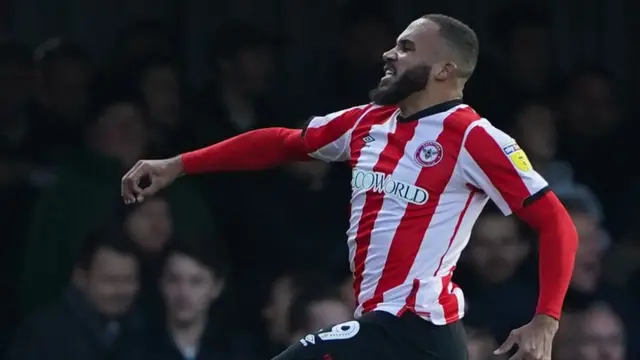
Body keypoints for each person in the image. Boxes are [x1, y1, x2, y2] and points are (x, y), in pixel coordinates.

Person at [122, 14, 578, 360]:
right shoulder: (367, 121)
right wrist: (179, 164)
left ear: (444, 69)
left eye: (406, 47)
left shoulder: (474, 137)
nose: (389, 54)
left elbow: (557, 222)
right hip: (386, 328)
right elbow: (283, 143)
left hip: (415, 326)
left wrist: (546, 319)